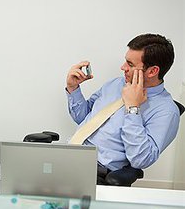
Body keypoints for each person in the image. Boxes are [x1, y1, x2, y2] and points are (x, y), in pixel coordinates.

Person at [66, 33, 180, 183]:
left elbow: (141, 160)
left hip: (95, 171)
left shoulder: (166, 111)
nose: (123, 67)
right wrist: (73, 88)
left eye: (130, 64)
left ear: (152, 71)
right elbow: (84, 118)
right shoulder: (115, 84)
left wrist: (133, 108)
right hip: (69, 153)